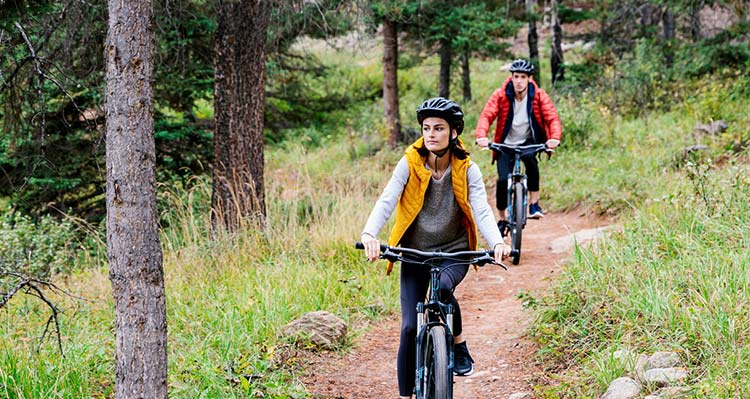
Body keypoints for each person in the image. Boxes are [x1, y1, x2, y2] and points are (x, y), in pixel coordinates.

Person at [360, 97, 511, 398]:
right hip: (415, 253)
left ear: (453, 132)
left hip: (454, 252)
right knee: (407, 329)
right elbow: (388, 199)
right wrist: (369, 234)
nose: (430, 134)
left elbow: (481, 210)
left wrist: (496, 242)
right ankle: (406, 395)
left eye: (438, 128)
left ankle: (457, 342)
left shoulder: (467, 169)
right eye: (426, 128)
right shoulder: (410, 162)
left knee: (442, 289)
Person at [474, 59, 562, 236]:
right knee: (501, 180)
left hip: (528, 141)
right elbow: (487, 115)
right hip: (504, 144)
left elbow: (552, 118)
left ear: (529, 78)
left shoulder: (538, 95)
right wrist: (481, 136)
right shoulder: (501, 95)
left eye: (523, 77)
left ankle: (534, 204)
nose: (519, 81)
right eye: (516, 77)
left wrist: (554, 138)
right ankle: (502, 218)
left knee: (532, 165)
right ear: (511, 77)